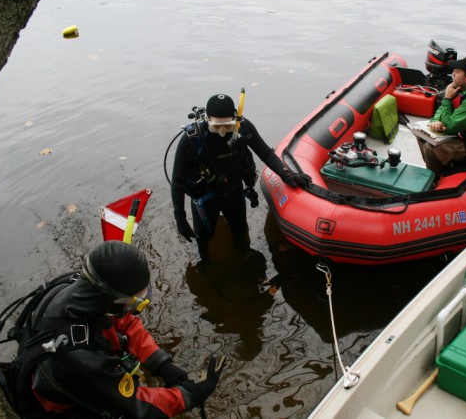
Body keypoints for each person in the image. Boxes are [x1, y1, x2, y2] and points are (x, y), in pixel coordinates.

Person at [27, 241, 225, 418]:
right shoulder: (79, 358)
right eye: (133, 303)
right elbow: (138, 405)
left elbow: (124, 321)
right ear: (112, 300)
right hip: (67, 407)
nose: (133, 310)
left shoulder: (80, 290)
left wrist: (161, 364)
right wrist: (190, 395)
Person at [171, 93, 312, 262]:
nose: (222, 132)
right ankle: (206, 262)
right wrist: (180, 218)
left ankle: (243, 256)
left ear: (235, 118)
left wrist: (287, 174)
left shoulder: (243, 127)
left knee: (240, 229)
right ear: (207, 119)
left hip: (234, 191)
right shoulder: (192, 139)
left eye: (228, 126)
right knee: (204, 236)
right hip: (205, 198)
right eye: (216, 126)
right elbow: (178, 180)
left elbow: (266, 153)